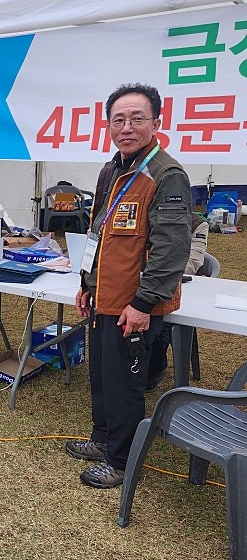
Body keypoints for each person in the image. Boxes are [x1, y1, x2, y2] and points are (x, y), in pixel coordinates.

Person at [68, 83, 192, 489]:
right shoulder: (112, 170)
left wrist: (142, 303)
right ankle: (103, 438)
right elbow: (100, 233)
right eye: (118, 120)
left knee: (125, 384)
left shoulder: (166, 175)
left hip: (134, 306)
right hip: (104, 296)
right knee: (103, 377)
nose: (127, 127)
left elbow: (171, 250)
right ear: (108, 126)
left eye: (137, 119)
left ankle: (120, 461)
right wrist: (87, 282)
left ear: (156, 123)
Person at [145, 211, 209, 391]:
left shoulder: (198, 224)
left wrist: (160, 269)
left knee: (162, 317)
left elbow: (193, 263)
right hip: (147, 283)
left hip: (180, 289)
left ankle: (155, 368)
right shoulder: (148, 217)